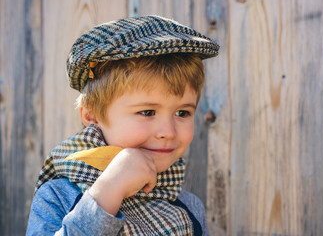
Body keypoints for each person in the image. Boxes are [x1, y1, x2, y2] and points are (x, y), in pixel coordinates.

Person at [26, 15, 219, 235]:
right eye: (147, 112)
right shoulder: (59, 195)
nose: (168, 132)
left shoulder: (189, 206)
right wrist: (108, 190)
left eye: (182, 112)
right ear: (92, 116)